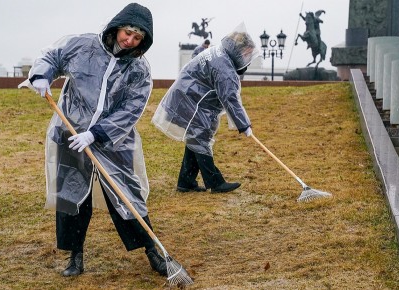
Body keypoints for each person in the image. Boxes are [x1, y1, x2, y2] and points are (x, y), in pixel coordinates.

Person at [26, 3, 167, 278]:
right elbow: (53, 57)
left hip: (111, 140)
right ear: (118, 27)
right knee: (72, 196)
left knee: (127, 195)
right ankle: (75, 257)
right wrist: (41, 75)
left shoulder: (139, 70)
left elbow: (132, 109)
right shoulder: (84, 46)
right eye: (128, 33)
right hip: (71, 134)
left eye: (137, 38)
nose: (130, 41)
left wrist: (96, 133)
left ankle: (153, 252)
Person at [152, 23, 259, 193]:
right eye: (247, 53)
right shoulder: (224, 66)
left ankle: (185, 182)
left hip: (186, 98)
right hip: (190, 102)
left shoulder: (221, 53)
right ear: (241, 49)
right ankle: (215, 182)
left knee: (196, 138)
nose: (247, 57)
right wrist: (244, 125)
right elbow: (229, 98)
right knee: (200, 137)